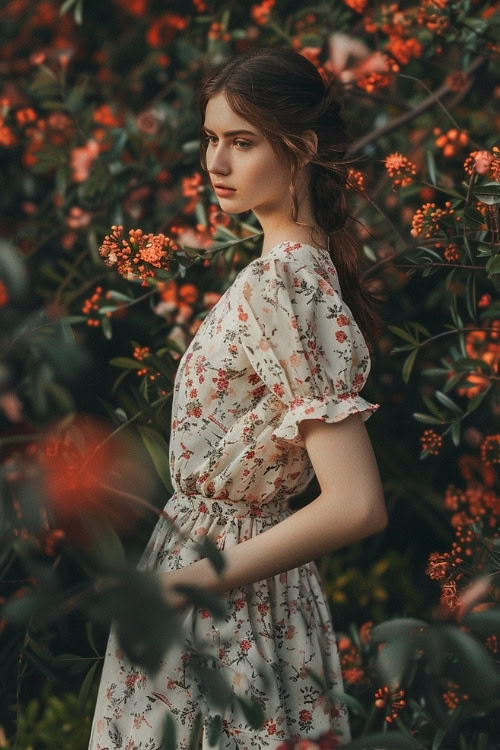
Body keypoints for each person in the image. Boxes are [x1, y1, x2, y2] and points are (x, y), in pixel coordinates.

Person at [87, 45, 387, 750]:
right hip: (238, 583)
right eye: (211, 139)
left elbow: (356, 503)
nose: (215, 164)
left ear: (303, 148)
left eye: (242, 142)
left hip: (224, 593)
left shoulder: (283, 283)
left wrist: (178, 586)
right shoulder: (295, 271)